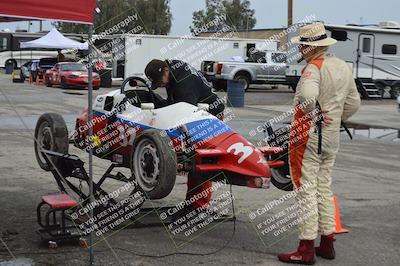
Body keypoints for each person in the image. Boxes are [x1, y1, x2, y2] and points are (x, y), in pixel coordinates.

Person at [277, 23, 361, 265]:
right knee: (324, 187)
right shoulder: (342, 66)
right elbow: (354, 103)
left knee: (306, 190)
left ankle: (305, 248)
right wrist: (334, 117)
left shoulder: (313, 68)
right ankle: (326, 243)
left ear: (309, 47)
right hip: (331, 136)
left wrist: (313, 114)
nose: (301, 50)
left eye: (303, 45)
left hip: (308, 137)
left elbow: (306, 97)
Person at [144, 59, 225, 211]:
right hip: (196, 112)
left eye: (159, 81)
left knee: (199, 162)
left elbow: (184, 111)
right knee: (193, 160)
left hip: (208, 117)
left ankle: (198, 207)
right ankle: (192, 204)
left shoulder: (184, 83)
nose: (160, 85)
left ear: (166, 71)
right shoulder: (173, 69)